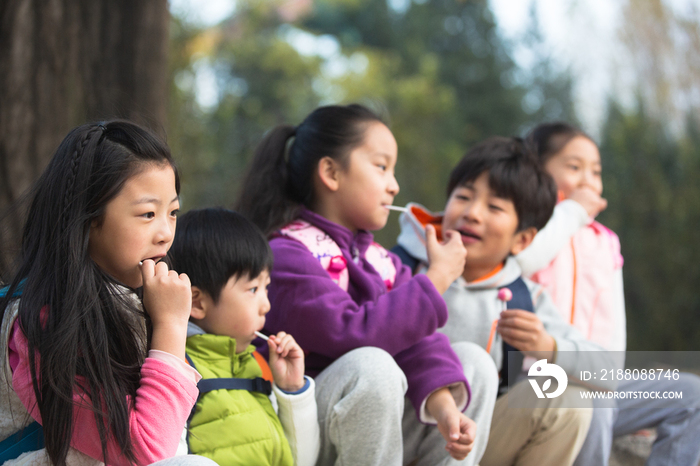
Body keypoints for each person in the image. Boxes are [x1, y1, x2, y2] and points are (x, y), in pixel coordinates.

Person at [236, 104, 498, 466]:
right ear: (330, 172)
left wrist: (445, 409)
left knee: (474, 363)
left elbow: (418, 341)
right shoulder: (287, 254)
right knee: (371, 365)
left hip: (371, 426)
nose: (394, 185)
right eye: (381, 166)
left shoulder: (380, 260)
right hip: (303, 432)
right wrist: (435, 278)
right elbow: (353, 334)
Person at [393, 136, 618, 466]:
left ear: (523, 239)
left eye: (494, 207)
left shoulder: (524, 298)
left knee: (569, 400)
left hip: (474, 444)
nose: (472, 213)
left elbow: (608, 371)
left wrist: (547, 346)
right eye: (464, 196)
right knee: (470, 361)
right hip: (397, 437)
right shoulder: (400, 269)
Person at [0, 121, 215, 466]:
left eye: (173, 213)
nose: (165, 234)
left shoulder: (137, 301)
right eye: (147, 214)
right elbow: (145, 449)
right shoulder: (41, 321)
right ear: (88, 220)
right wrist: (172, 327)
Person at [517, 122, 700, 466]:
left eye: (596, 171)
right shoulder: (529, 229)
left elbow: (614, 333)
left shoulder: (606, 242)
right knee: (593, 401)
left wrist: (608, 374)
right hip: (535, 377)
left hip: (597, 378)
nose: (588, 180)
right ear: (537, 171)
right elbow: (522, 264)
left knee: (690, 393)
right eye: (574, 167)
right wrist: (569, 212)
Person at [167, 207, 320, 466]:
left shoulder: (256, 367)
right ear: (197, 303)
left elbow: (301, 461)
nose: (266, 305)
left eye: (266, 287)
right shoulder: (179, 372)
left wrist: (292, 390)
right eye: (252, 289)